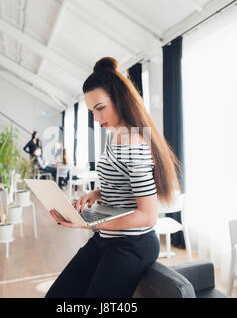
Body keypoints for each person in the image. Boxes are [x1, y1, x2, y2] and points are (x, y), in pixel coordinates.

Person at [46, 57, 181, 298]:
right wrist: (97, 193)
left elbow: (147, 216)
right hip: (107, 239)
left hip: (132, 244)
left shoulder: (134, 144)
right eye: (91, 112)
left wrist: (87, 223)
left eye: (100, 108)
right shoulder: (115, 135)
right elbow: (123, 181)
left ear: (120, 99)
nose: (96, 119)